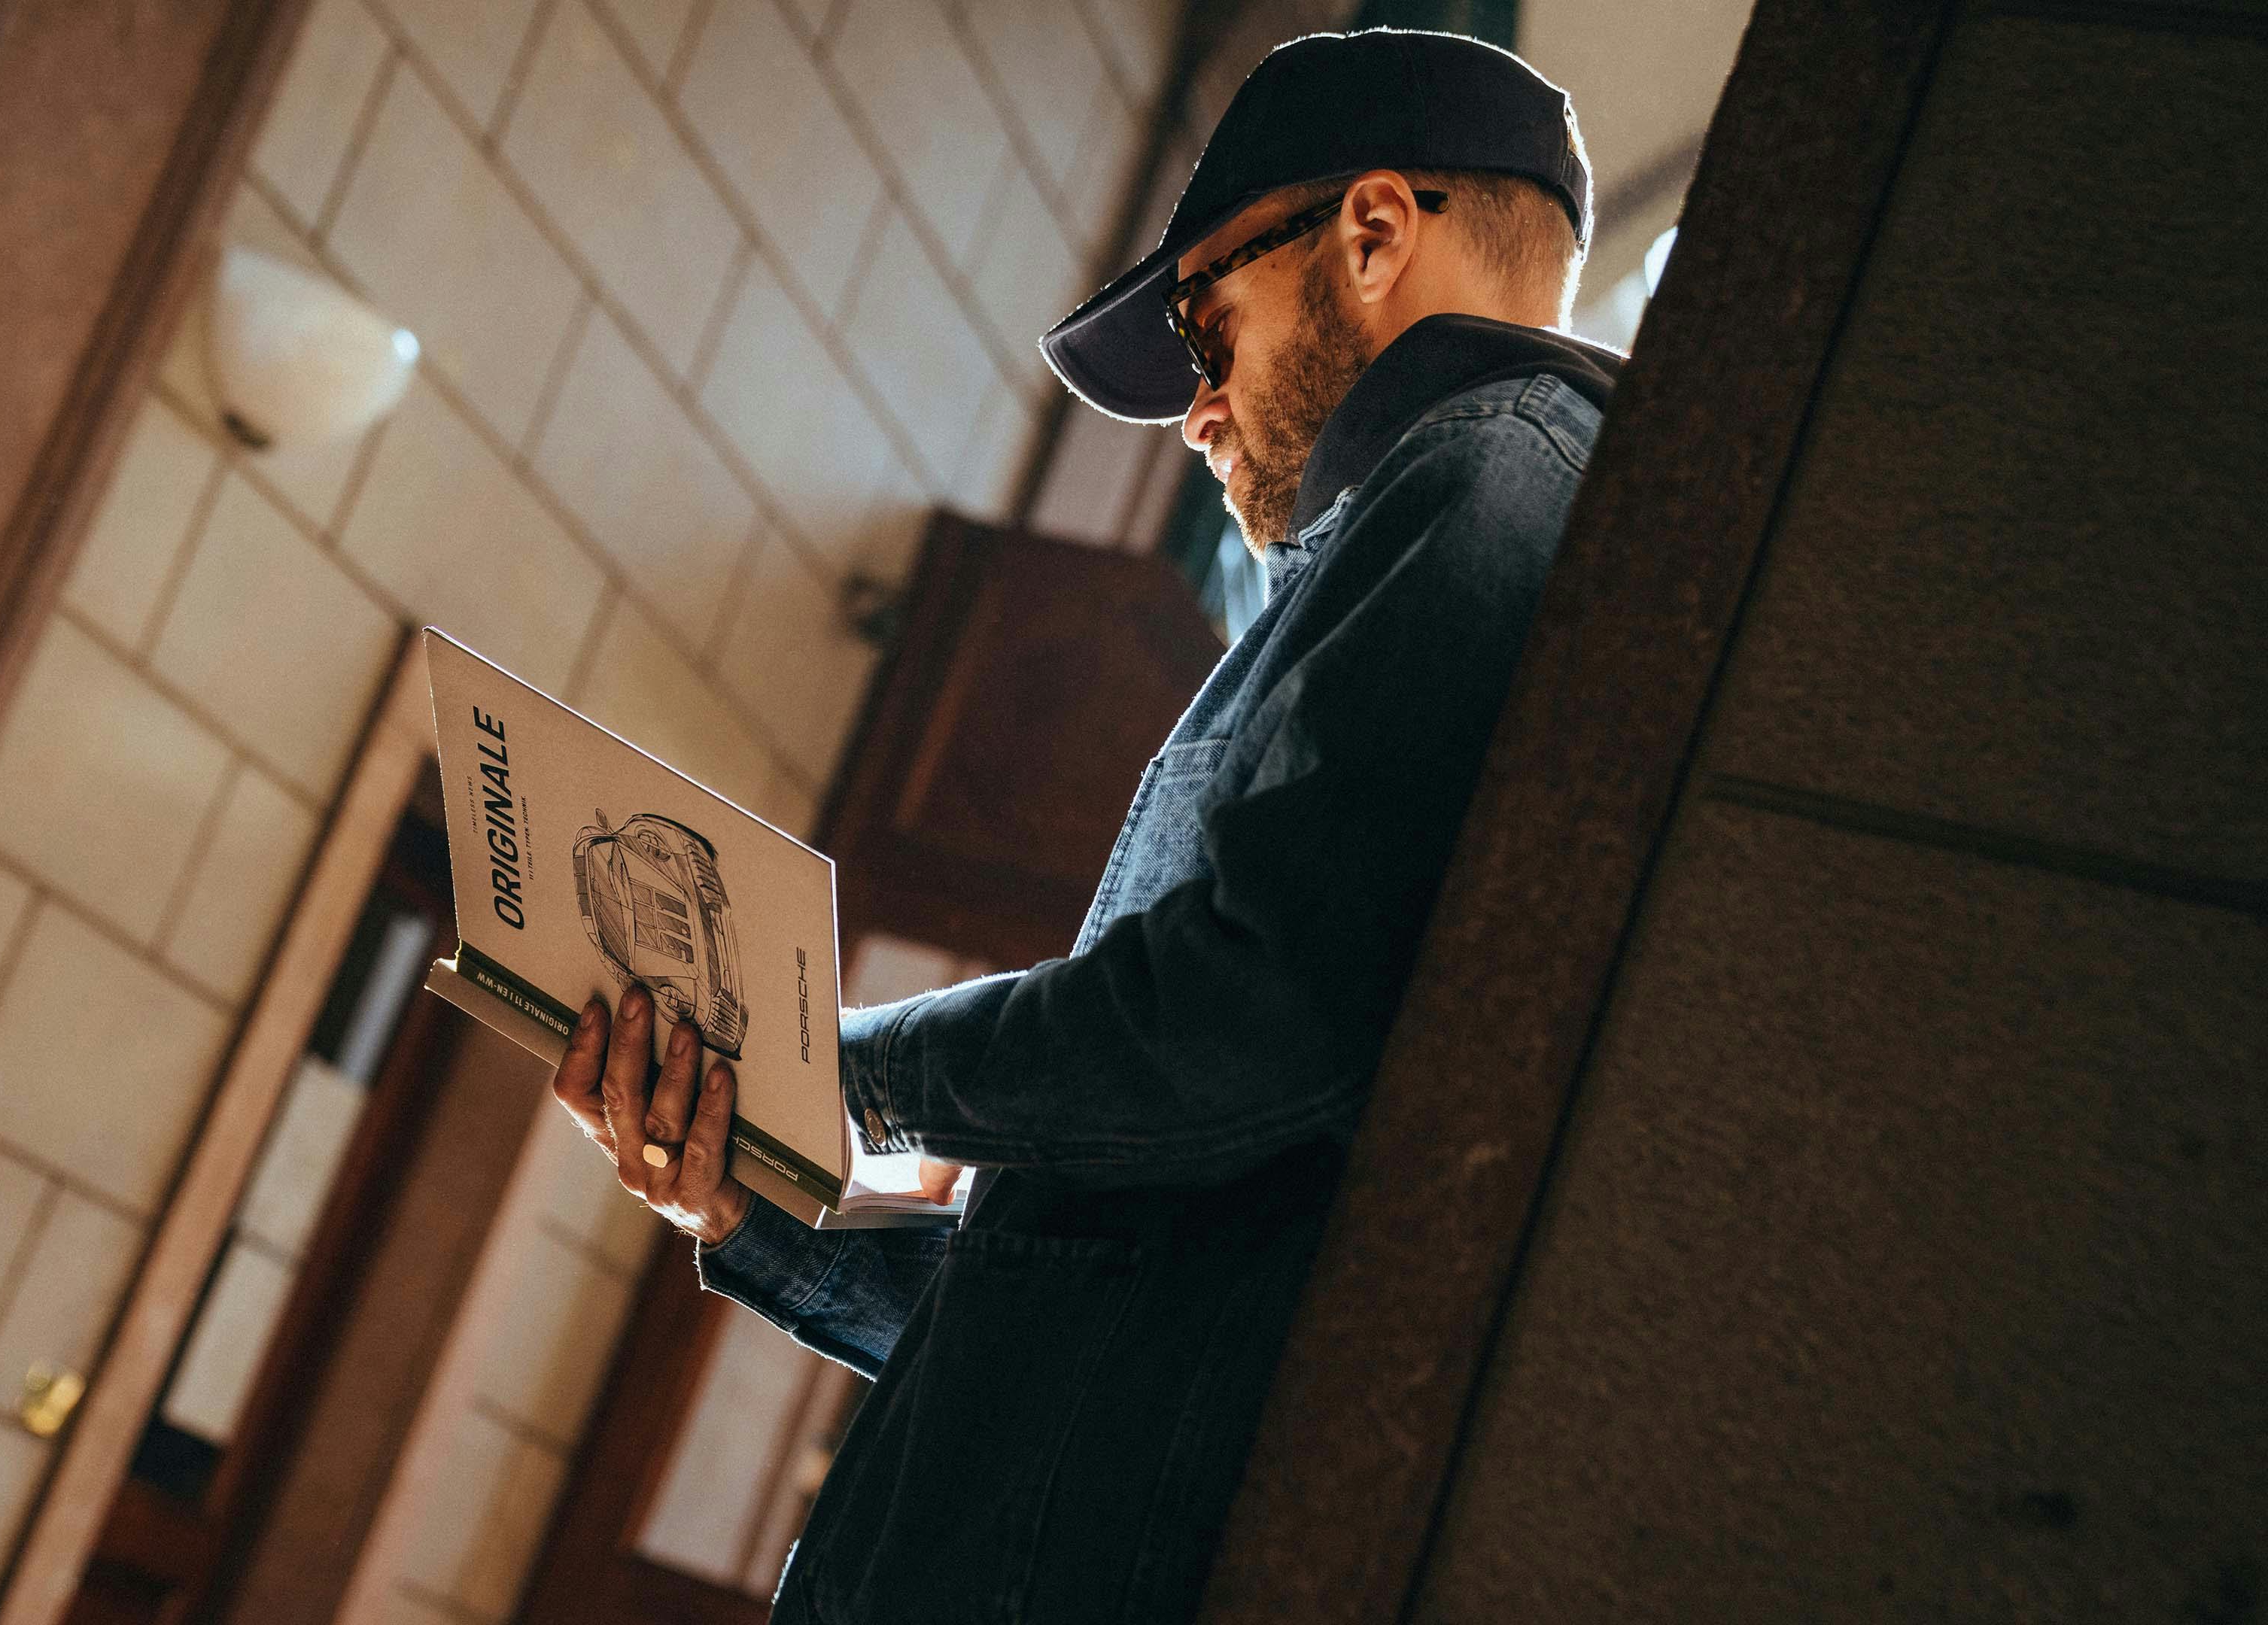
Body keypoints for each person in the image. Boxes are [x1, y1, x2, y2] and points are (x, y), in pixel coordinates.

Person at [546, 28, 1621, 1623]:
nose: (1193, 414)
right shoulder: (1443, 510)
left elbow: (1254, 1005)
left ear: (1378, 232)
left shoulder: (1487, 483)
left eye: (1208, 328)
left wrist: (841, 1074)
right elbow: (1084, 1319)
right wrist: (752, 1202)